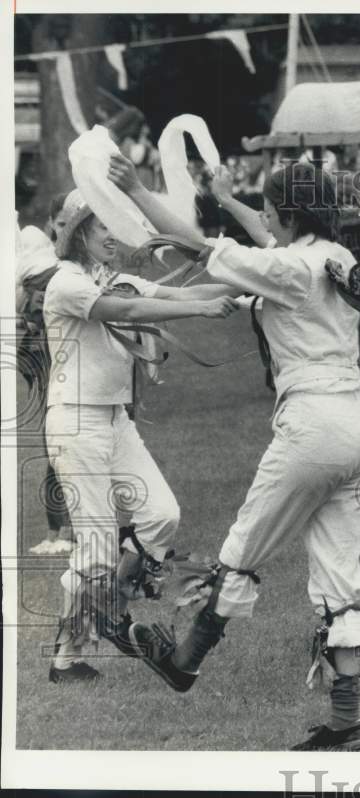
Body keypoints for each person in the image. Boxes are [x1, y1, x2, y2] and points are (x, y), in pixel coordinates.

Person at [117, 157, 360, 752]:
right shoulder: (332, 256)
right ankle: (348, 725)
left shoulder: (290, 265)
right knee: (339, 579)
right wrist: (225, 196)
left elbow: (198, 245)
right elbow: (266, 243)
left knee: (240, 553)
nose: (264, 218)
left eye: (270, 208)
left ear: (290, 214)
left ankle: (185, 661)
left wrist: (137, 189)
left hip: (314, 425)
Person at [42, 185, 240, 684]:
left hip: (114, 418)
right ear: (80, 233)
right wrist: (200, 311)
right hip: (75, 420)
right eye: (103, 224)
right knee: (96, 550)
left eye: (115, 223)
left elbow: (181, 293)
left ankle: (107, 615)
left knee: (161, 515)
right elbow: (127, 312)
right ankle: (71, 655)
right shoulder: (66, 283)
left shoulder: (113, 278)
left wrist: (253, 286)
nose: (113, 233)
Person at [18, 192, 74, 555]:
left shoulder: (67, 267)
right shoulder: (41, 264)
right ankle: (58, 531)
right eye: (64, 223)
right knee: (54, 442)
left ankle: (69, 531)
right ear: (53, 224)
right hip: (45, 356)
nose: (69, 229)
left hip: (69, 359)